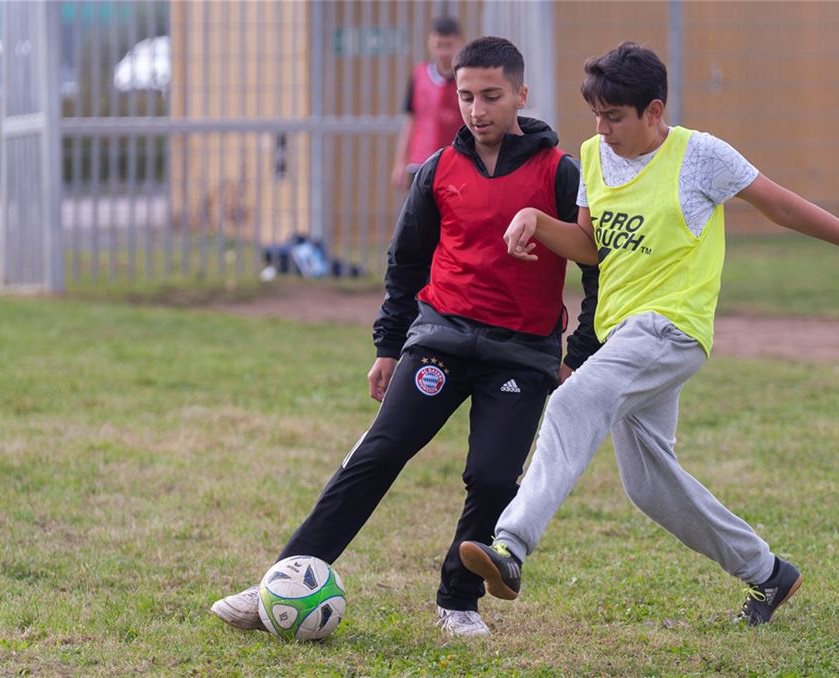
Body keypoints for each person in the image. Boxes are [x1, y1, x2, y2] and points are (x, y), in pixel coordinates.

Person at [459, 42, 839, 628]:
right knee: (648, 485)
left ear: (654, 111)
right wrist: (536, 221)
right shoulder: (594, 156)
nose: (602, 129)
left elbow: (783, 208)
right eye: (596, 115)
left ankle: (512, 547)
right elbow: (592, 248)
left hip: (672, 328)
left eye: (615, 117)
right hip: (622, 335)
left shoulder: (700, 155)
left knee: (573, 402)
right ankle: (768, 572)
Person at [210, 36, 600, 638]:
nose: (477, 109)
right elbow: (406, 264)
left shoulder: (561, 172)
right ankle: (285, 578)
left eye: (491, 96)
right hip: (438, 341)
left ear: (520, 95)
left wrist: (576, 355)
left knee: (494, 479)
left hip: (520, 356)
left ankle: (459, 600)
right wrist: (389, 347)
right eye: (466, 96)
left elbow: (593, 265)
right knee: (376, 454)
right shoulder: (438, 170)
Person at [390, 16, 464, 190]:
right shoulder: (419, 75)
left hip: (457, 161)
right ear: (430, 43)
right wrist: (400, 162)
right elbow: (410, 120)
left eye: (449, 45)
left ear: (460, 43)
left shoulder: (466, 77)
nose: (444, 52)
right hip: (421, 162)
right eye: (439, 45)